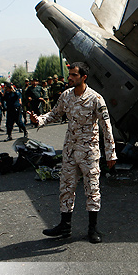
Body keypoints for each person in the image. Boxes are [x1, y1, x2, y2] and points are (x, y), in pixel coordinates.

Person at [29, 62, 117, 244]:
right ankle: (65, 226)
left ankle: (92, 229)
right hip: (70, 150)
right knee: (66, 188)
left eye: (74, 75)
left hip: (89, 152)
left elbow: (106, 127)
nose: (70, 78)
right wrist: (39, 120)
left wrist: (110, 153)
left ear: (84, 77)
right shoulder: (66, 96)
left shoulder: (96, 99)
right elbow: (54, 114)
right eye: (69, 74)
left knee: (92, 190)